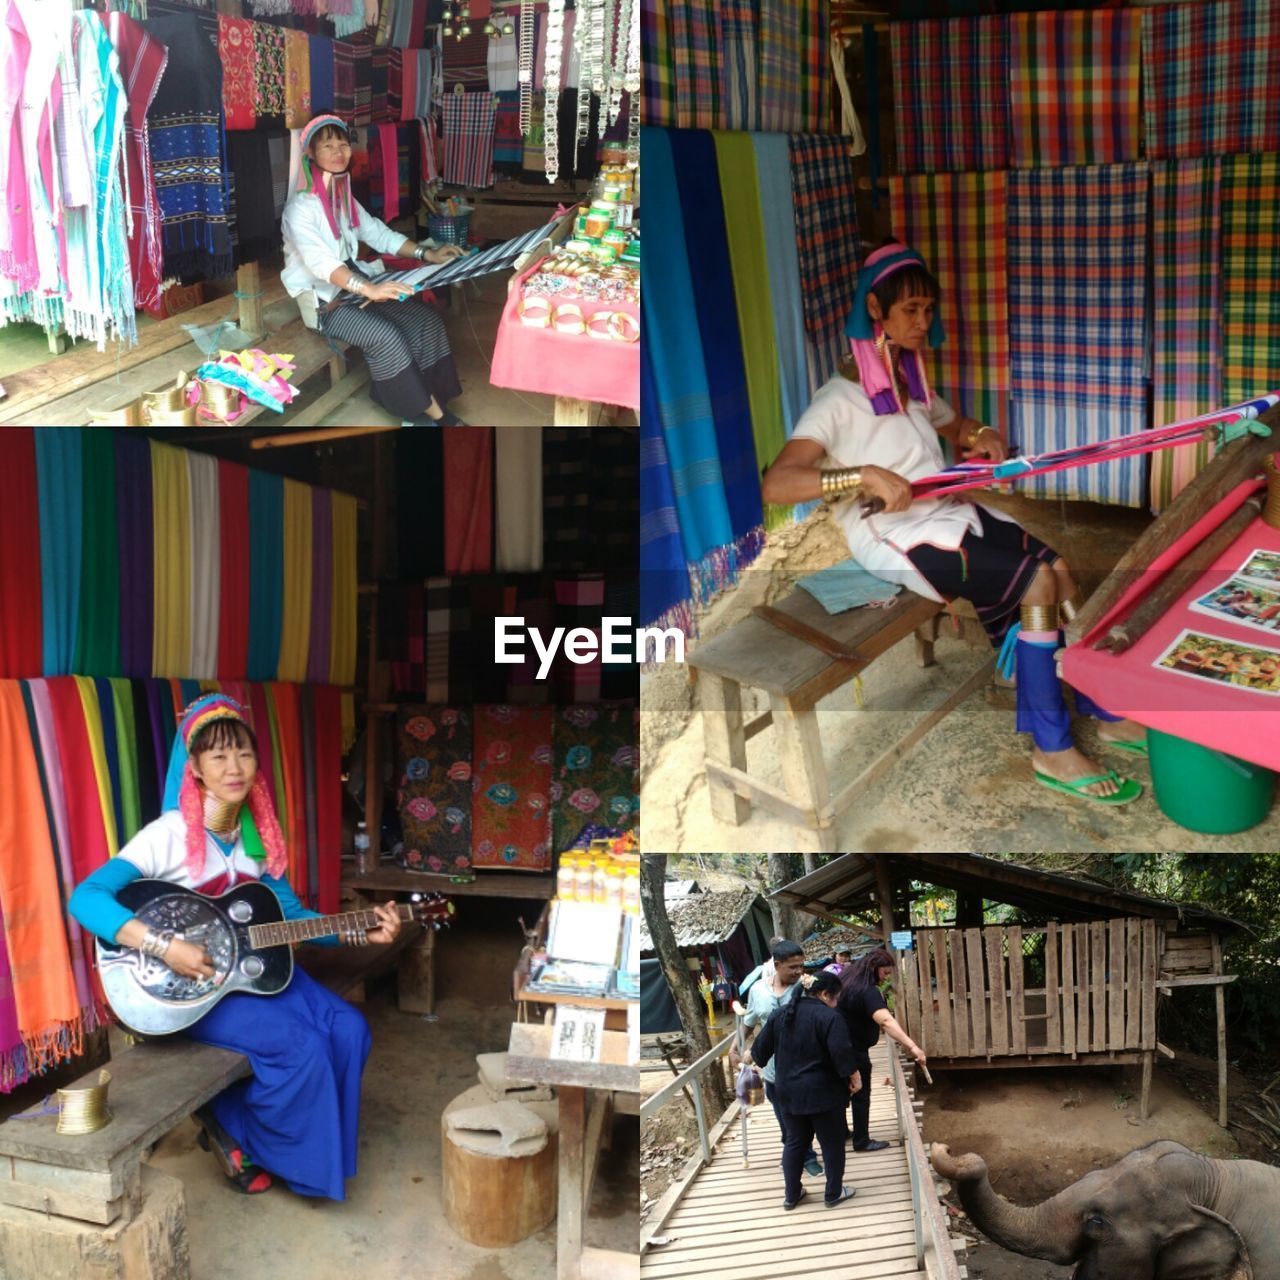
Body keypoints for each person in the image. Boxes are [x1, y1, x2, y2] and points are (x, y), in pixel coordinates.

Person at [761, 242, 1147, 806]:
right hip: (893, 537)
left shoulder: (911, 383)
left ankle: (1097, 708)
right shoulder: (838, 400)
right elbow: (777, 482)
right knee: (1036, 583)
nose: (923, 322)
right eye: (910, 310)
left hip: (943, 513)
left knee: (1060, 568)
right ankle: (1051, 748)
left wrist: (981, 436)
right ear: (876, 310)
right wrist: (860, 475)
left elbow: (957, 425)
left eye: (927, 310)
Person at [69, 694, 402, 1198]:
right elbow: (86, 898)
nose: (234, 768)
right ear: (195, 769)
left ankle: (303, 1148)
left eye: (244, 754)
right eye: (218, 756)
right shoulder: (167, 836)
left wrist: (359, 929)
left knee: (350, 1030)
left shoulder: (257, 839)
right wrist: (163, 945)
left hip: (253, 972)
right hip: (192, 989)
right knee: (302, 1047)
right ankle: (238, 1127)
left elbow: (290, 917)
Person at [281, 115, 470, 426]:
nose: (339, 151)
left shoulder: (344, 199)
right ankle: (429, 415)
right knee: (386, 336)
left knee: (426, 320)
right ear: (311, 155)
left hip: (359, 286)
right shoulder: (300, 209)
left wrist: (428, 253)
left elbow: (380, 234)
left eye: (343, 144)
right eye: (328, 145)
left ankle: (426, 400)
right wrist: (369, 289)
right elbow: (321, 264)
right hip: (326, 303)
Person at [750, 970, 860, 1210]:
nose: (836, 1002)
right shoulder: (830, 1018)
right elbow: (842, 1054)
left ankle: (792, 1195)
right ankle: (832, 1193)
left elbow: (759, 1054)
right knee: (831, 1143)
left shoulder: (780, 1014)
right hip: (824, 1093)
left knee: (794, 1142)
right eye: (835, 997)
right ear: (824, 994)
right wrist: (854, 1077)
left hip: (787, 1091)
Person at [732, 940, 821, 1178]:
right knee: (784, 1119)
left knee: (805, 1117)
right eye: (792, 967)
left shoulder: (806, 987)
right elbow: (749, 1023)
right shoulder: (758, 990)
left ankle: (806, 1155)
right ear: (778, 964)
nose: (798, 971)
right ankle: (798, 1155)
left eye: (801, 966)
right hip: (772, 1071)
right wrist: (733, 1048)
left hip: (804, 1068)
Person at [837, 948, 926, 1153]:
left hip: (838, 1046)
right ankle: (861, 1140)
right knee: (861, 1092)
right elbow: (885, 1021)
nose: (885, 978)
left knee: (841, 1089)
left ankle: (842, 1132)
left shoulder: (847, 976)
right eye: (884, 973)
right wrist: (911, 1046)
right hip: (854, 1048)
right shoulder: (867, 990)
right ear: (873, 968)